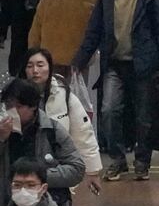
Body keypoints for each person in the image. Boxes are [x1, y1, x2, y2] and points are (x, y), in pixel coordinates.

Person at [70, 0, 159, 181]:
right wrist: (79, 60)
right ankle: (117, 159)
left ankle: (142, 161)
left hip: (143, 65)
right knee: (109, 110)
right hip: (115, 65)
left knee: (144, 116)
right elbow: (94, 30)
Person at [19, 49, 101, 191]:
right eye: (30, 66)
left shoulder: (65, 96)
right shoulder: (14, 98)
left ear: (50, 67)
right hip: (21, 176)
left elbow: (83, 133)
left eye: (40, 65)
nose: (35, 70)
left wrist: (93, 171)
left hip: (55, 176)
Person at [0, 79, 85, 206]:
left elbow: (77, 169)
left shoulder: (52, 130)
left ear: (33, 106)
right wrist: (2, 139)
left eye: (19, 107)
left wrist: (40, 176)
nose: (12, 112)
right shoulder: (3, 130)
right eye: (9, 106)